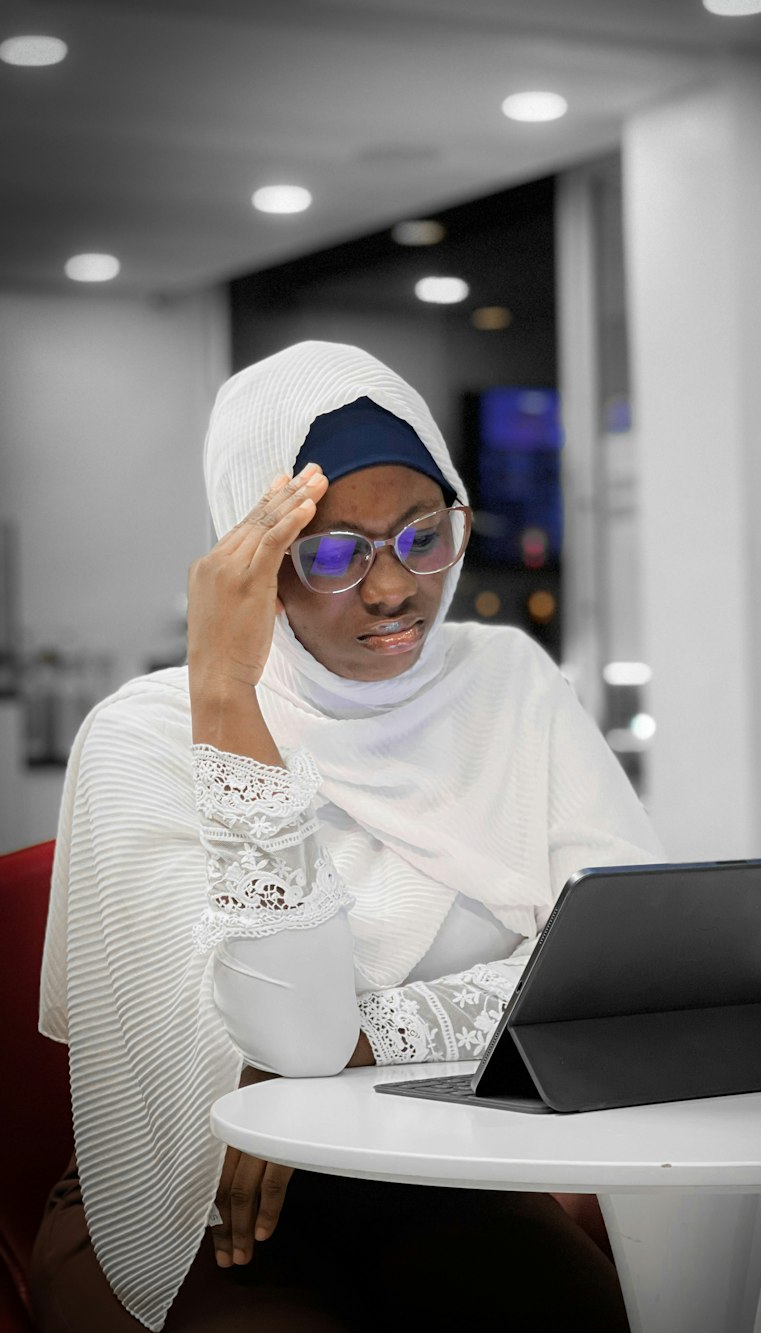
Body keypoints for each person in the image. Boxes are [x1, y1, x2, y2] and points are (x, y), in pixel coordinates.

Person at [31, 341, 664, 1332]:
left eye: (423, 535)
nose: (390, 590)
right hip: (198, 1198)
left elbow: (630, 962)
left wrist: (366, 1047)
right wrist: (227, 695)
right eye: (330, 553)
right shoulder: (143, 734)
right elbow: (293, 1033)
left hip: (432, 1171)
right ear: (251, 560)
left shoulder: (504, 682)